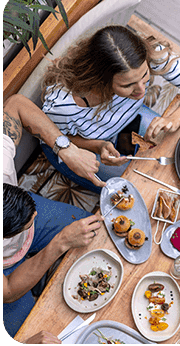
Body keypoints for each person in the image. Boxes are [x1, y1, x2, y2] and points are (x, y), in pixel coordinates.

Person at [41, 25, 180, 193]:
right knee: (143, 190)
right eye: (128, 85)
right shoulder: (63, 105)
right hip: (84, 148)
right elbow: (55, 138)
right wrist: (97, 146)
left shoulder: (141, 55)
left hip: (128, 121)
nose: (142, 90)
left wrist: (175, 118)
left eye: (145, 76)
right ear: (101, 80)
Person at [3, 94, 103, 338]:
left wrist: (67, 149)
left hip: (17, 215)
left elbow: (16, 105)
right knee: (40, 331)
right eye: (26, 223)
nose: (34, 217)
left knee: (96, 234)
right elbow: (8, 291)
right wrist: (60, 243)